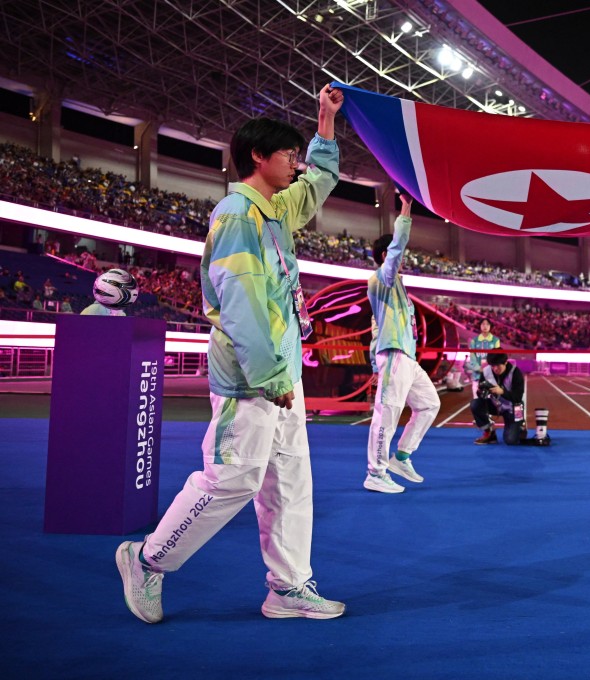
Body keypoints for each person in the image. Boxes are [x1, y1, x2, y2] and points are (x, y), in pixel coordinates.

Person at [115, 84, 347, 624]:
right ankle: (148, 559)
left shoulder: (272, 211)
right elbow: (240, 304)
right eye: (288, 154)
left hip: (281, 373)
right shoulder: (239, 215)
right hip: (252, 378)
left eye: (296, 153)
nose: (296, 163)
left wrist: (324, 121)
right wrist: (269, 374)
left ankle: (289, 586)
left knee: (290, 480)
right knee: (232, 478)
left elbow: (318, 184)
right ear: (258, 158)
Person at [363, 193, 441, 494]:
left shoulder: (396, 288)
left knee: (429, 404)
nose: (403, 259)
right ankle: (375, 472)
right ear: (386, 256)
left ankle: (402, 456)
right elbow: (396, 252)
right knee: (388, 414)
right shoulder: (381, 279)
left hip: (407, 358)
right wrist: (406, 212)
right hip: (394, 355)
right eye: (397, 255)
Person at [471, 352, 527, 445]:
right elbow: (480, 394)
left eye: (498, 366)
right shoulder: (486, 371)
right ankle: (489, 433)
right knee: (475, 404)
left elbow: (518, 397)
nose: (495, 369)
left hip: (514, 407)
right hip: (496, 404)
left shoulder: (515, 372)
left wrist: (502, 392)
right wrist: (481, 391)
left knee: (511, 441)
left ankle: (521, 424)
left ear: (505, 362)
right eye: (493, 366)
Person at [467, 318, 500, 397]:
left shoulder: (495, 340)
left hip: (491, 376)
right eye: (483, 324)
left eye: (487, 324)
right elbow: (472, 357)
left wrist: (487, 369)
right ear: (480, 326)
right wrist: (479, 368)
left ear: (490, 326)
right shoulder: (474, 341)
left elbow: (496, 357)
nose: (485, 326)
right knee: (476, 400)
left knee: (490, 402)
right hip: (477, 375)